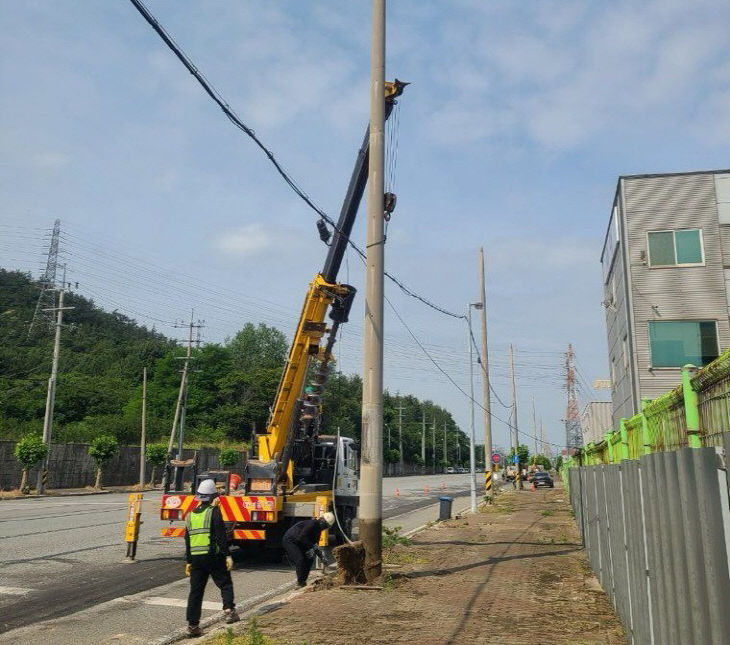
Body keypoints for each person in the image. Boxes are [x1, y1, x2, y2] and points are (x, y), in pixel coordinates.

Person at [184, 479, 239, 638]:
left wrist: (188, 561)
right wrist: (227, 555)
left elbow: (187, 540)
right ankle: (229, 612)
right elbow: (221, 536)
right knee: (225, 583)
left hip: (196, 559)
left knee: (196, 591)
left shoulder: (190, 516)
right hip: (212, 556)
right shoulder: (214, 511)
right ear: (212, 497)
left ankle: (193, 626)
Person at [282, 512, 335, 587]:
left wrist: (322, 557)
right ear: (322, 522)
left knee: (310, 559)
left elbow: (315, 546)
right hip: (290, 541)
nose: (325, 528)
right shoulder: (312, 524)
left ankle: (303, 581)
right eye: (326, 526)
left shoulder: (318, 531)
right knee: (300, 559)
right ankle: (300, 583)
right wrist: (311, 547)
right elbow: (302, 537)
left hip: (300, 542)